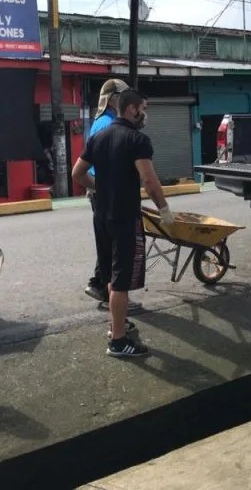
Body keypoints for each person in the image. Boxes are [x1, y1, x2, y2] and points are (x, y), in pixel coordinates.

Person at [72, 89, 175, 358]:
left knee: (110, 274)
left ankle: (116, 325)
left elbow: (78, 173)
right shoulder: (137, 140)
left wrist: (100, 188)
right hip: (124, 218)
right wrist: (164, 209)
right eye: (144, 108)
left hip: (102, 216)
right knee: (120, 281)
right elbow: (150, 182)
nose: (145, 114)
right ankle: (118, 342)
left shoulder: (99, 136)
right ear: (132, 109)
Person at [83, 78, 143, 314]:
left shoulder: (101, 122)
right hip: (108, 193)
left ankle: (100, 283)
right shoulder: (109, 125)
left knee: (107, 243)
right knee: (116, 247)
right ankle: (109, 291)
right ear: (114, 99)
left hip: (101, 190)